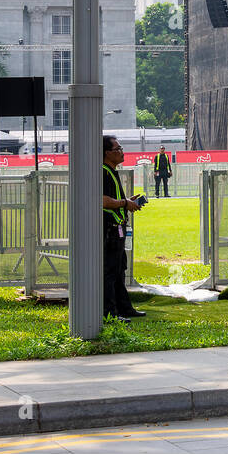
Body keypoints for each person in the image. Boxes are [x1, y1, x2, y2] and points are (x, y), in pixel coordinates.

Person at [101, 135, 144, 321]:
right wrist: (124, 203)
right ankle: (109, 313)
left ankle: (124, 308)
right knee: (110, 273)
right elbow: (101, 200)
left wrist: (126, 203)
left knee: (119, 271)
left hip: (117, 229)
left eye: (121, 148)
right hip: (110, 229)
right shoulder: (103, 172)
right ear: (106, 153)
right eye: (117, 149)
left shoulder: (111, 171)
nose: (121, 152)